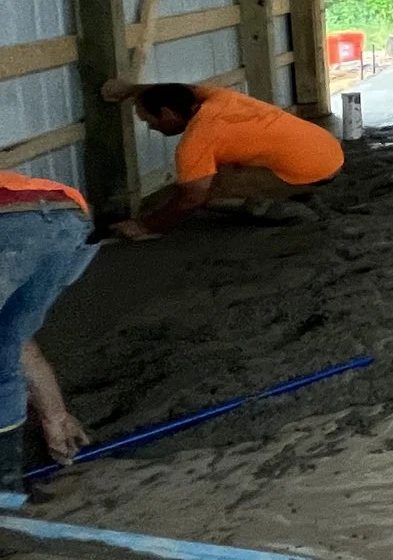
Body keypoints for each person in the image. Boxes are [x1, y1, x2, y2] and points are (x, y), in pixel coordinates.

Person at [109, 80, 345, 239]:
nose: (151, 127)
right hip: (330, 152)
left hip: (315, 172)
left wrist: (146, 226)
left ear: (167, 113)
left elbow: (191, 199)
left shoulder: (197, 139)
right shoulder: (216, 97)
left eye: (150, 120)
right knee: (221, 166)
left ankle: (278, 205)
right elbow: (182, 88)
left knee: (196, 189)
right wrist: (132, 89)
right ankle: (289, 190)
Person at [0, 170, 96, 492]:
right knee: (7, 343)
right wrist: (56, 417)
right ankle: (7, 488)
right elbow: (22, 346)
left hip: (9, 224)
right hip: (66, 216)